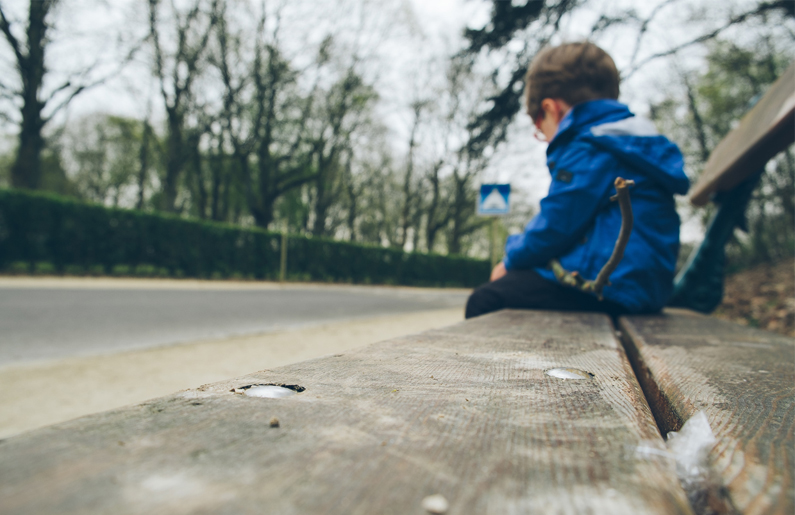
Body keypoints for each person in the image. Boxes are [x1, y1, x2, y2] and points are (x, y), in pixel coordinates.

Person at [465, 42, 689, 319]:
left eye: (540, 128)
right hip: (644, 288)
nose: (545, 138)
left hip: (608, 288)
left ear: (551, 109)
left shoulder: (590, 146)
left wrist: (509, 260)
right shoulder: (632, 142)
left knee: (487, 300)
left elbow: (556, 226)